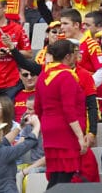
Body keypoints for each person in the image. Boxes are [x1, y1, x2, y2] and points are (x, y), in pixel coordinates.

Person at [34, 39, 88, 187]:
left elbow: (38, 108)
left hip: (49, 129)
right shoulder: (67, 76)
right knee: (64, 177)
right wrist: (80, 137)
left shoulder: (43, 76)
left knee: (56, 176)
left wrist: (47, 124)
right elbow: (69, 110)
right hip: (65, 131)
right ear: (68, 56)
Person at [0, 112, 42, 193]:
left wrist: (20, 127)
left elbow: (3, 141)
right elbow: (28, 143)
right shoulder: (4, 153)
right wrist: (37, 125)